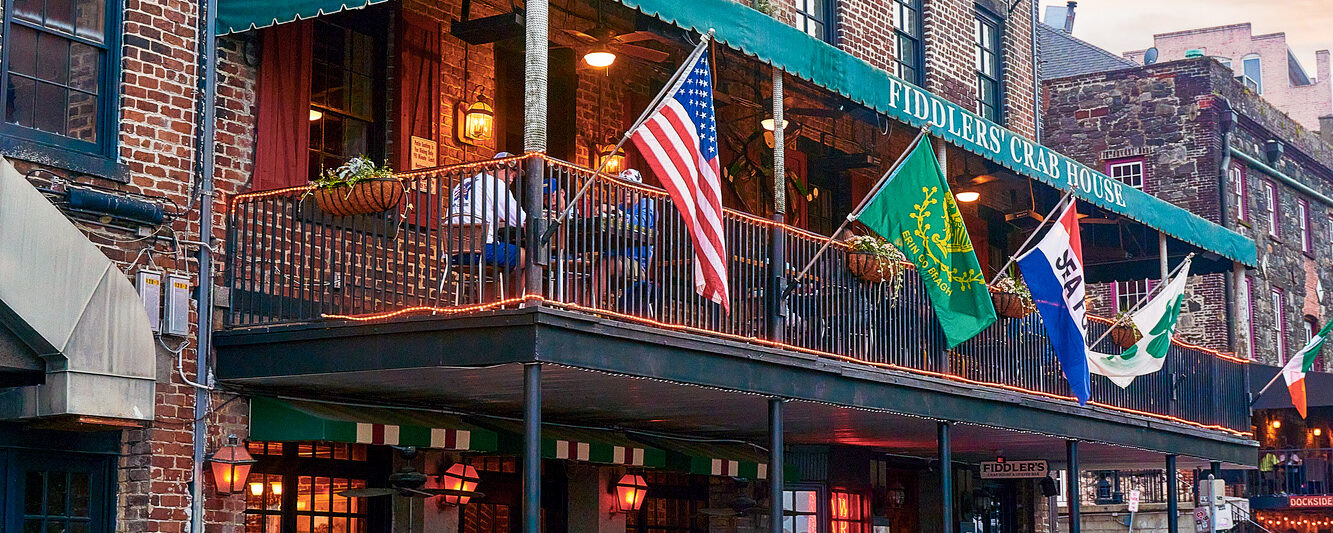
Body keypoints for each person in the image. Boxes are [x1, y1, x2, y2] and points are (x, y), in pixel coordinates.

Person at [446, 152, 526, 298]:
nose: (510, 179)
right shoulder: (496, 185)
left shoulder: (462, 184)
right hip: (480, 252)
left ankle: (487, 305)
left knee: (497, 254)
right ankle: (516, 304)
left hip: (454, 253)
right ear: (497, 167)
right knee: (529, 256)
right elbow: (521, 219)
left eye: (513, 177)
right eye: (510, 174)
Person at [592, 169, 657, 310]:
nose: (626, 190)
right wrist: (598, 211)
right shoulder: (619, 207)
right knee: (587, 266)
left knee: (605, 263)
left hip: (637, 265)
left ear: (638, 189)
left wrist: (615, 211)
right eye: (622, 186)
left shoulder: (647, 203)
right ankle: (576, 307)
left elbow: (642, 222)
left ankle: (589, 307)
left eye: (630, 186)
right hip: (614, 258)